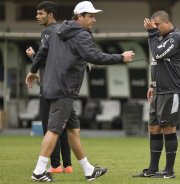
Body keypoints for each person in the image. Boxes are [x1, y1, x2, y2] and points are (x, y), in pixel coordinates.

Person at [26, 1, 135, 182]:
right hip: (65, 89)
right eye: (90, 16)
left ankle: (88, 170)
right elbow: (94, 56)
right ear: (79, 17)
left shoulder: (57, 30)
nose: (93, 20)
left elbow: (43, 52)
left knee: (73, 130)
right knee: (54, 130)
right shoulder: (82, 35)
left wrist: (32, 71)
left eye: (94, 16)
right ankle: (38, 171)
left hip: (53, 86)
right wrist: (121, 57)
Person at [133, 10, 180, 179]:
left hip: (173, 90)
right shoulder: (160, 38)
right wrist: (152, 83)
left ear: (166, 22)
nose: (154, 28)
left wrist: (151, 33)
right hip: (159, 90)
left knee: (168, 127)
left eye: (157, 25)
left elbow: (157, 54)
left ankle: (169, 171)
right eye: (152, 26)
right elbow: (156, 62)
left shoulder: (176, 37)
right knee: (154, 128)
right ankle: (153, 169)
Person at [26, 1, 73, 174]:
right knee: (62, 127)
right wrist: (36, 56)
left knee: (49, 128)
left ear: (50, 15)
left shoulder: (48, 31)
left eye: (40, 14)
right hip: (64, 87)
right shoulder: (63, 31)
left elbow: (45, 58)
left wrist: (33, 59)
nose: (37, 17)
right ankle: (67, 165)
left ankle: (55, 166)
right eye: (37, 14)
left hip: (49, 87)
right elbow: (56, 60)